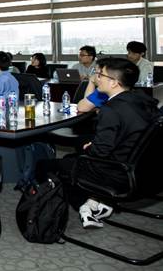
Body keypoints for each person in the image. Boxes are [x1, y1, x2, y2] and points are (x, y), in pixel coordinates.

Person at [36, 57, 158, 229]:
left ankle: (85, 206)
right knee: (74, 153)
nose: (96, 77)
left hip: (117, 174)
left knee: (44, 166)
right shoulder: (144, 100)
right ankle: (97, 200)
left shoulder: (111, 110)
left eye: (101, 75)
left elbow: (100, 152)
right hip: (147, 171)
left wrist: (92, 147)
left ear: (114, 82)